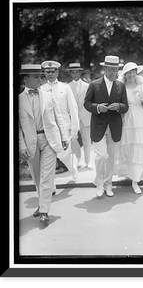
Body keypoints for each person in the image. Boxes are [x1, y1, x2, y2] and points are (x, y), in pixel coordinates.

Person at [19, 64, 68, 223]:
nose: (41, 79)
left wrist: (64, 136)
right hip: (30, 143)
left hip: (49, 140)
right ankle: (42, 205)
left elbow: (58, 117)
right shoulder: (18, 100)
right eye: (36, 77)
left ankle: (44, 212)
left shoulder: (47, 96)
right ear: (26, 79)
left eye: (41, 76)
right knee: (37, 177)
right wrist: (21, 146)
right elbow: (17, 127)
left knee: (47, 177)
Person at [84, 55, 129, 197]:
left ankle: (108, 185)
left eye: (117, 70)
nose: (115, 73)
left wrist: (118, 106)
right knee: (101, 156)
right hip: (99, 125)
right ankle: (99, 183)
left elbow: (125, 106)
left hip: (114, 125)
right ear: (104, 69)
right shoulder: (94, 84)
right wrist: (97, 107)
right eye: (112, 70)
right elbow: (86, 103)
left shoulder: (121, 86)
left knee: (111, 157)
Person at [115, 62, 143, 194]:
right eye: (129, 72)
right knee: (127, 148)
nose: (131, 74)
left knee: (139, 148)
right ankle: (129, 173)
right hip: (126, 119)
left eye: (133, 71)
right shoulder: (121, 86)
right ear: (125, 74)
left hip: (140, 118)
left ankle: (135, 180)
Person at [41, 61, 79, 184]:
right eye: (48, 72)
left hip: (65, 127)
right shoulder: (41, 89)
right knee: (51, 156)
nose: (50, 74)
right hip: (49, 128)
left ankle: (72, 168)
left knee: (63, 154)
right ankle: (51, 185)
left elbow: (73, 109)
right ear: (44, 73)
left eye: (53, 71)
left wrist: (75, 128)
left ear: (57, 72)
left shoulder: (65, 87)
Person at [68, 62, 93, 169]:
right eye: (73, 73)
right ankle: (79, 158)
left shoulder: (87, 86)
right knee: (73, 139)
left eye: (77, 72)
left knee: (87, 140)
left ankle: (88, 161)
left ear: (80, 72)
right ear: (71, 74)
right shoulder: (67, 87)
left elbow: (90, 101)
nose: (75, 75)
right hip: (73, 118)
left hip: (86, 116)